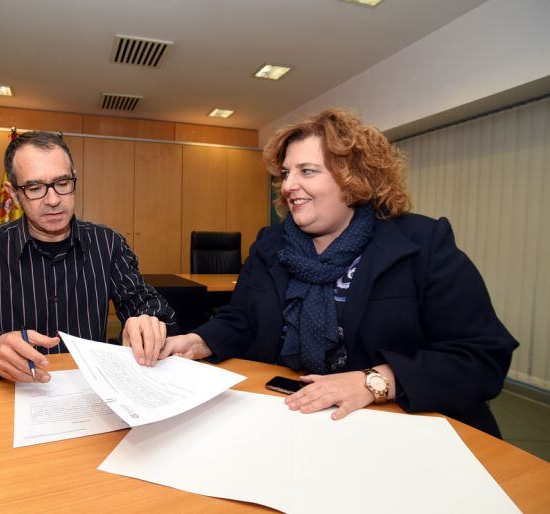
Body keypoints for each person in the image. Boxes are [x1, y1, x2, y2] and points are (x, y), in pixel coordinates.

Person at [161, 109, 517, 437]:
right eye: (286, 173)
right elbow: (241, 321)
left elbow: (482, 357)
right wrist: (197, 341)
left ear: (353, 178)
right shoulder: (270, 245)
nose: (287, 185)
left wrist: (374, 381)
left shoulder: (423, 243)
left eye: (307, 171)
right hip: (295, 417)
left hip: (403, 425)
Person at [0, 131, 177, 383]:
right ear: (14, 193)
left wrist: (147, 321)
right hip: (10, 393)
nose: (53, 199)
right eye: (35, 188)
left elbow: (152, 307)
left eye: (62, 183)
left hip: (92, 390)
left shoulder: (108, 243)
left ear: (74, 179)